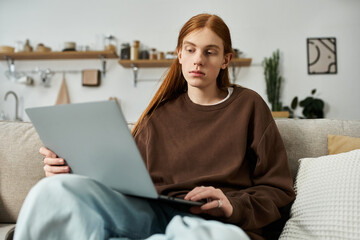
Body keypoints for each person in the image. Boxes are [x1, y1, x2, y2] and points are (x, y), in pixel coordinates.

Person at [14, 13, 295, 240]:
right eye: (191, 49)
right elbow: (122, 181)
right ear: (179, 55)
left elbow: (278, 190)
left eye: (210, 52)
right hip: (152, 214)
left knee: (196, 234)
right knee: (51, 191)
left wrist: (232, 205)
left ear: (226, 60)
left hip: (212, 222)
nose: (198, 59)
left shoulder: (249, 106)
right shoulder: (157, 114)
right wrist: (69, 170)